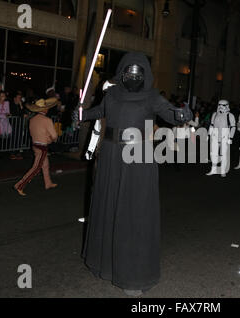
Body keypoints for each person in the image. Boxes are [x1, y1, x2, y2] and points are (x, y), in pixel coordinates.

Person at [78, 52, 192, 296]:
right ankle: (104, 264)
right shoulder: (111, 94)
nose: (132, 76)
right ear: (121, 73)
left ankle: (134, 275)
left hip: (138, 158)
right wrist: (81, 114)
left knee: (135, 213)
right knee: (107, 206)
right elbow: (98, 111)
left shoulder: (151, 96)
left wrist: (182, 114)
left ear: (146, 75)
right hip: (109, 156)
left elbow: (169, 112)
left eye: (138, 72)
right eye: (128, 71)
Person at [14, 98, 59, 196]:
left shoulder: (32, 119)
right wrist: (51, 139)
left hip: (35, 145)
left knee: (45, 165)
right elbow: (54, 136)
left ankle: (48, 183)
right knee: (36, 168)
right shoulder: (47, 120)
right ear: (45, 109)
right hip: (42, 146)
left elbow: (31, 133)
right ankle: (20, 185)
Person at [206, 99, 236, 177]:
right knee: (214, 154)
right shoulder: (214, 114)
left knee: (223, 154)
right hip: (215, 135)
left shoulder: (230, 115)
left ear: (227, 106)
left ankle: (223, 170)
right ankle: (213, 169)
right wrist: (208, 134)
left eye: (223, 105)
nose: (220, 107)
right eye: (219, 105)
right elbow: (212, 125)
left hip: (225, 135)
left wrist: (231, 138)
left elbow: (233, 127)